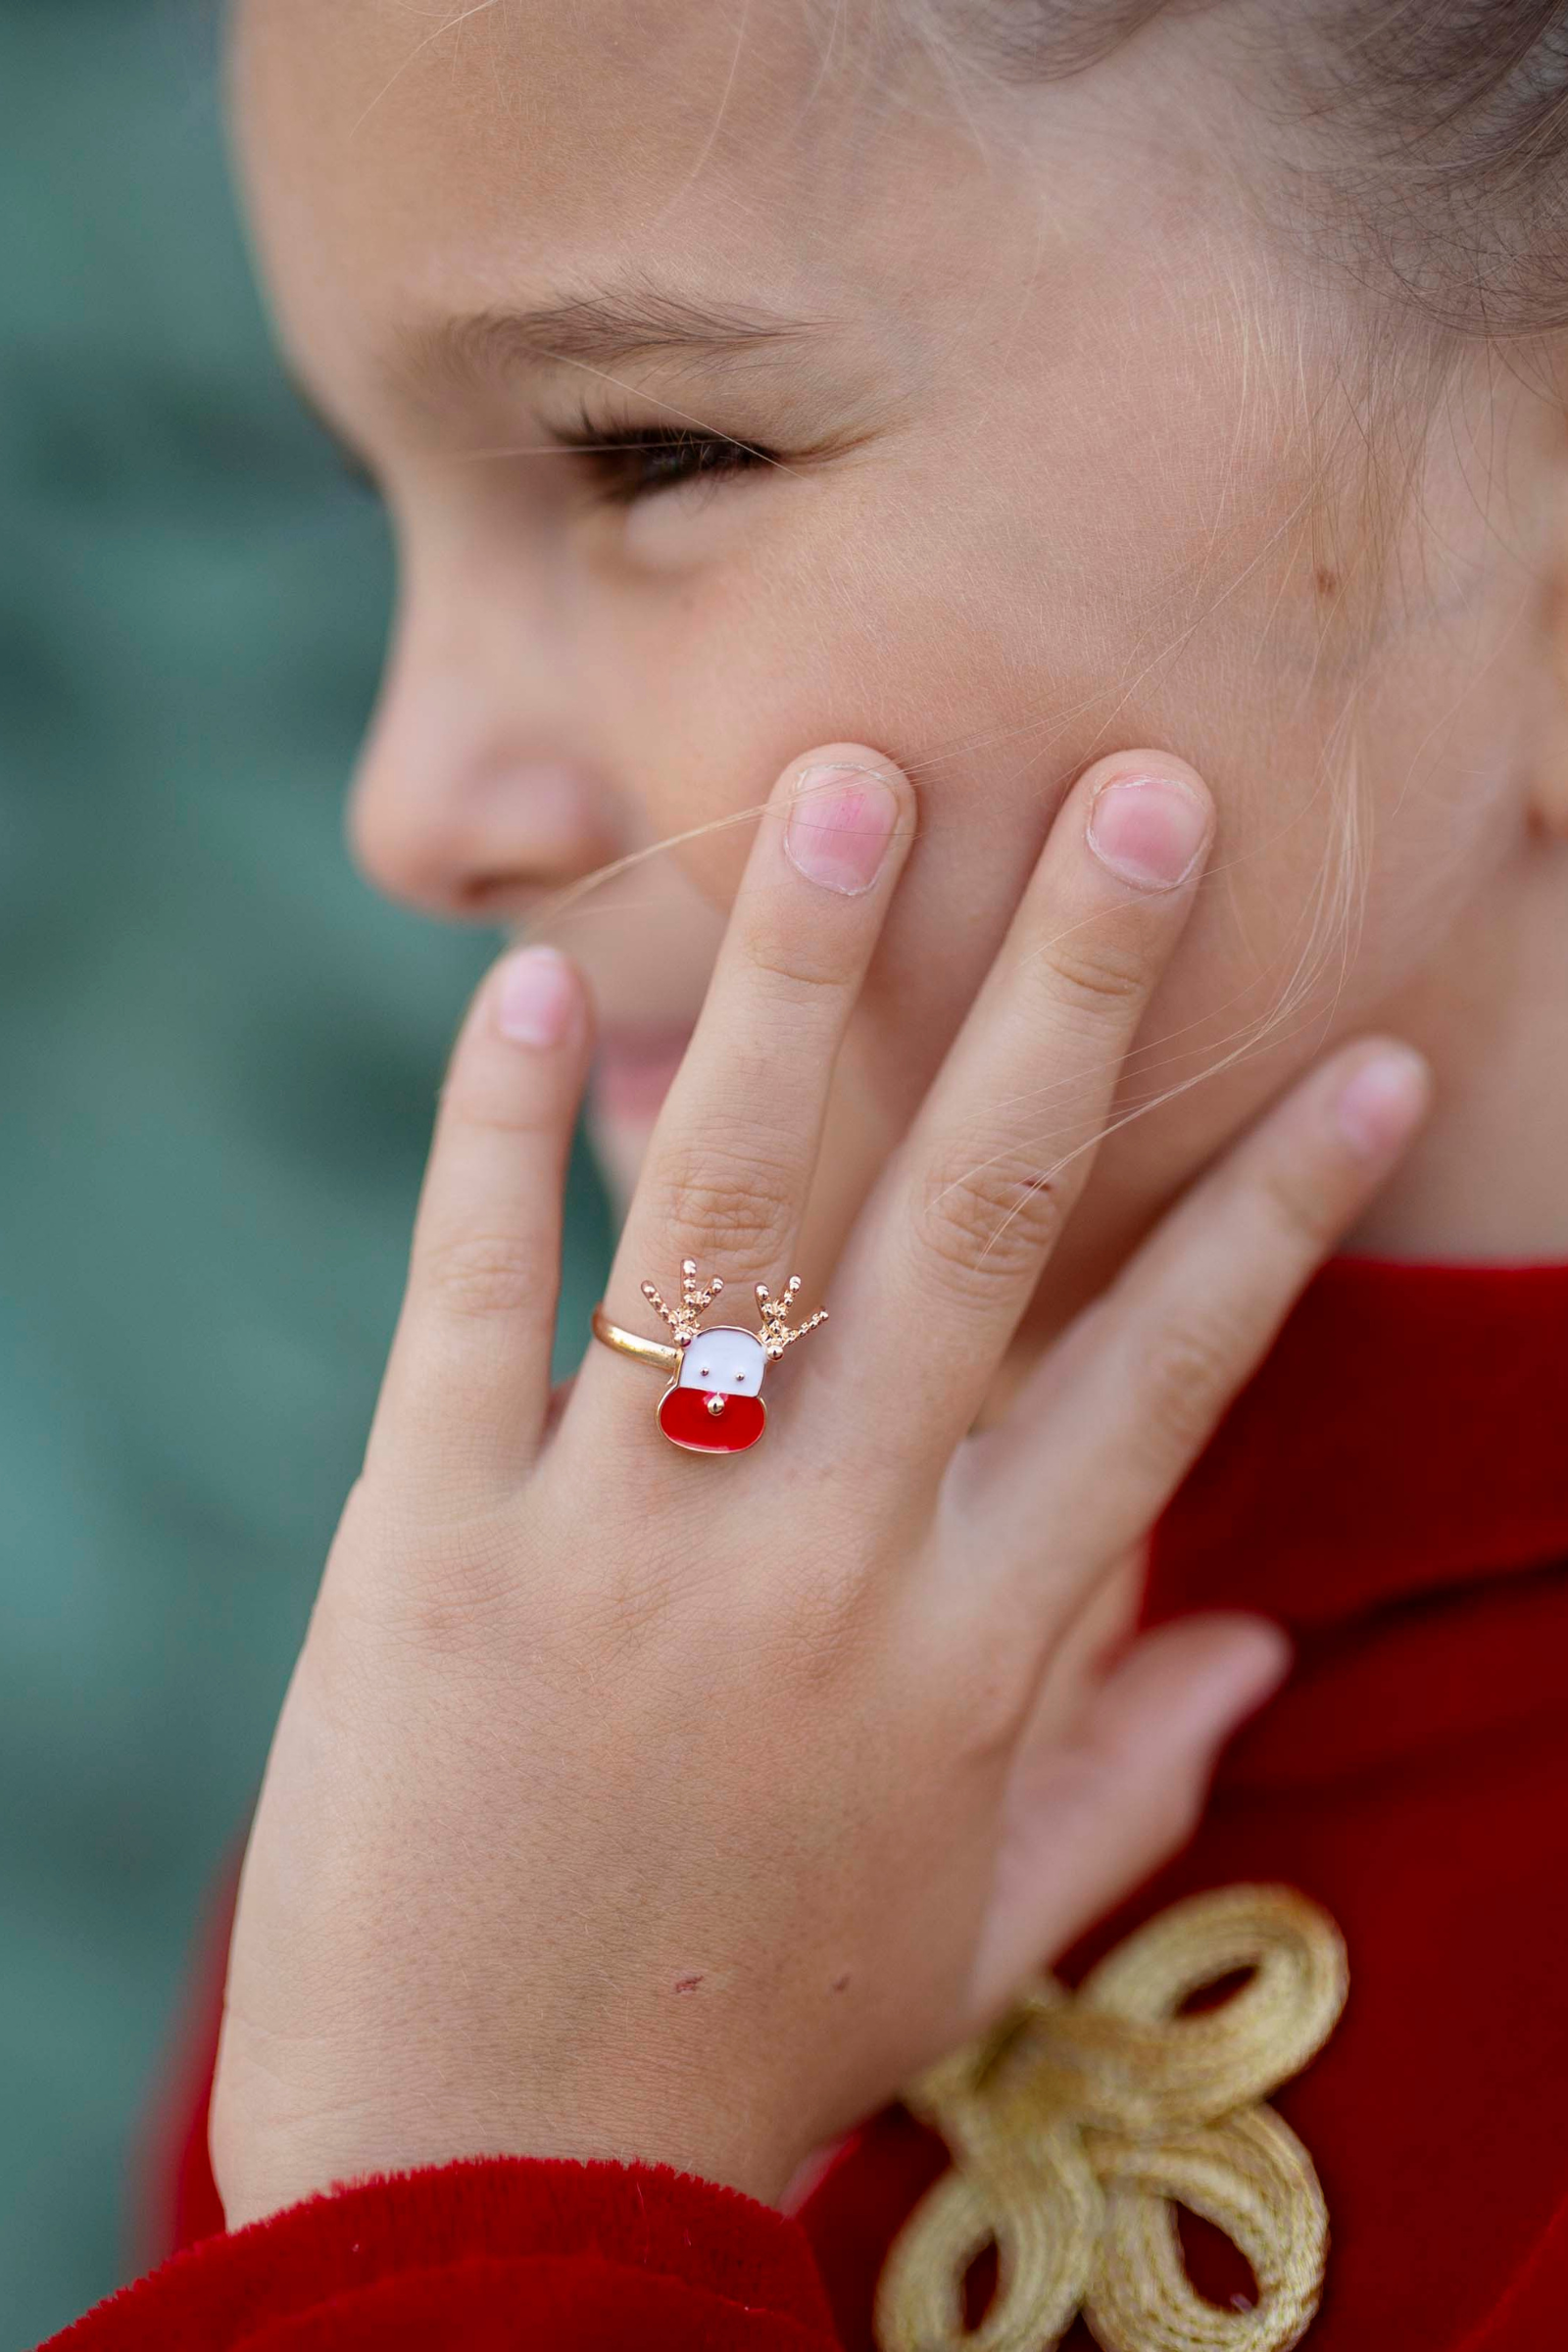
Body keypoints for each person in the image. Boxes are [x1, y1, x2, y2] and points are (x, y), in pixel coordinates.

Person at [43, 3, 1568, 2346]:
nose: (417, 806)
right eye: (383, 506)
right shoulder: (562, 1718)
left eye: (650, 452)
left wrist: (493, 2193)